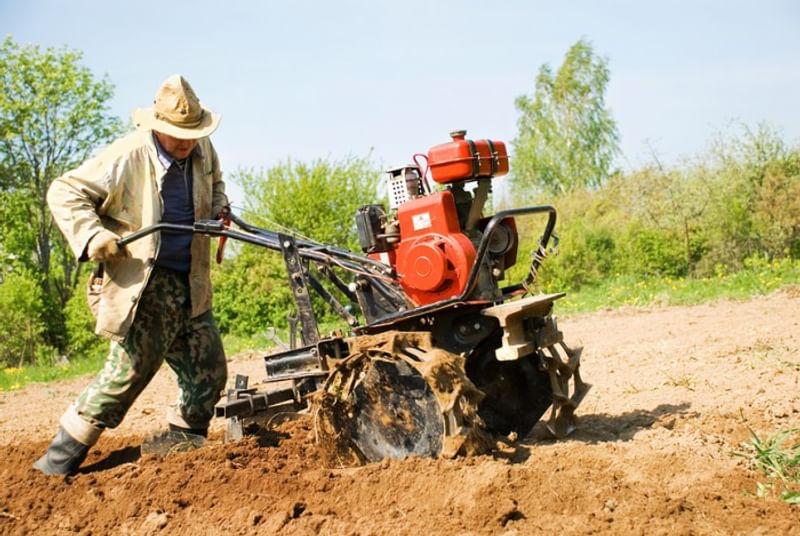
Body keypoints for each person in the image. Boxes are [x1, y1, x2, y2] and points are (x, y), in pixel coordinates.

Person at [34, 75, 229, 475]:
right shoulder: (126, 156)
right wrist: (92, 235)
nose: (186, 142)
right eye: (178, 135)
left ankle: (181, 446)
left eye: (192, 134)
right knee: (126, 377)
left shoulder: (202, 149)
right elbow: (63, 191)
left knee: (208, 368)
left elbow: (216, 185)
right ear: (156, 126)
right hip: (143, 285)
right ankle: (55, 466)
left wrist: (220, 208)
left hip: (190, 282)